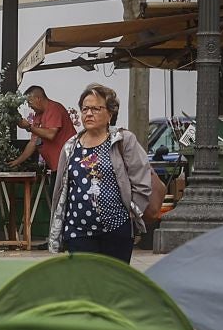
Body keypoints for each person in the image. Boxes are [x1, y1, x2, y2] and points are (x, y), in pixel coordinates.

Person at [48, 83, 155, 264]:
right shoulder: (70, 146)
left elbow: (142, 179)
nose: (88, 114)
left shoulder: (123, 140)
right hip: (78, 230)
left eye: (96, 109)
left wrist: (132, 212)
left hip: (116, 229)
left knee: (114, 283)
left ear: (110, 114)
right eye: (85, 109)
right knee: (85, 284)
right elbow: (61, 189)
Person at [8, 85, 73, 173]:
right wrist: (17, 161)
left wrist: (28, 127)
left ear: (38, 98)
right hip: (56, 166)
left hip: (68, 164)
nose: (29, 106)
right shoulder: (38, 115)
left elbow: (50, 134)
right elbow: (33, 142)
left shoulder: (54, 109)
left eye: (30, 102)